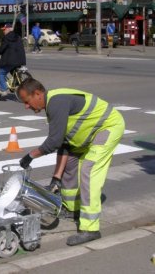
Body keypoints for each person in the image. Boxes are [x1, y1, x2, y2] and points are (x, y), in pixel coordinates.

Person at [17, 78, 125, 246]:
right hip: (87, 136)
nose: (26, 106)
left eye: (27, 101)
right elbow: (63, 144)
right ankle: (72, 208)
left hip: (107, 127)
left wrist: (30, 156)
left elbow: (53, 142)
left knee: (88, 170)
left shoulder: (56, 103)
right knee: (70, 164)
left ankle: (90, 228)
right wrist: (56, 178)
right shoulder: (51, 105)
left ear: (37, 94)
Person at [0, 23, 26, 96]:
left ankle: (4, 89)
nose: (4, 31)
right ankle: (16, 85)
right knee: (13, 71)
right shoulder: (18, 37)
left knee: (1, 73)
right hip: (20, 60)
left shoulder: (6, 37)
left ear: (8, 29)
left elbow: (2, 48)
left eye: (4, 30)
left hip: (10, 60)